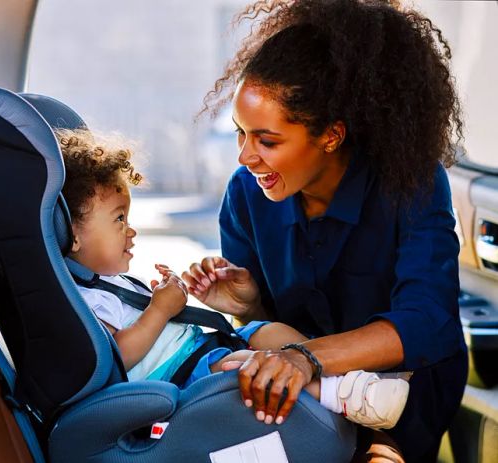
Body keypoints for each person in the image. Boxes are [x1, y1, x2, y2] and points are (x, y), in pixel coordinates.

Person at [183, 0, 468, 461]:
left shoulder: (409, 181)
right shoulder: (245, 194)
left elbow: (425, 322)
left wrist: (308, 358)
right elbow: (269, 328)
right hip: (304, 391)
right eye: (240, 133)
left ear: (331, 135)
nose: (245, 157)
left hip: (403, 392)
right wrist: (249, 304)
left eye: (267, 141)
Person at [58, 128, 410, 430]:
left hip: (201, 349)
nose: (130, 230)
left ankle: (348, 378)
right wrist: (159, 311)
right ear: (72, 234)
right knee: (246, 366)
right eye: (119, 219)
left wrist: (164, 300)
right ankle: (343, 397)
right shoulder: (81, 301)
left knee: (267, 332)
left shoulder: (110, 283)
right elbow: (113, 357)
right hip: (179, 378)